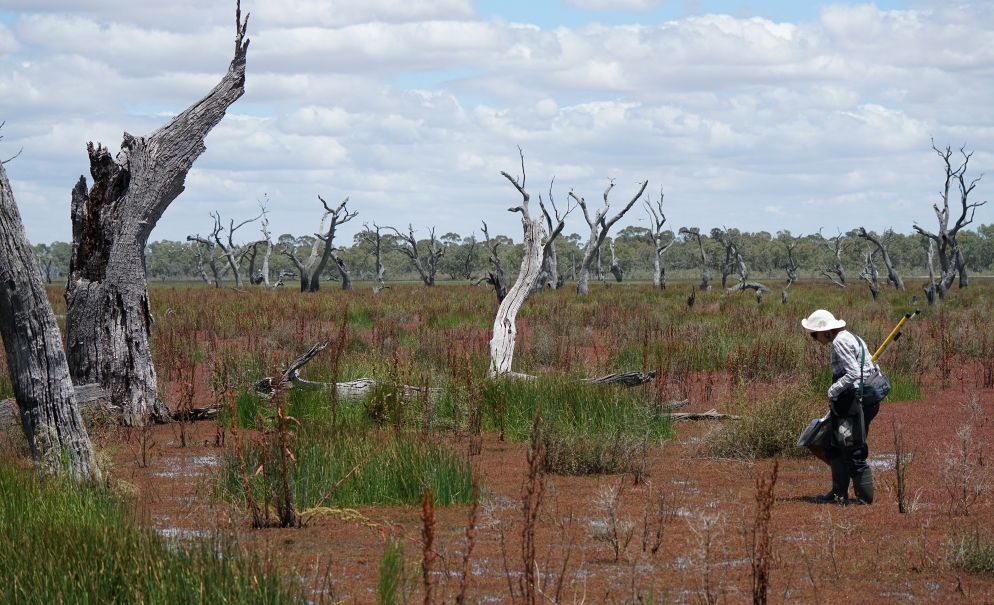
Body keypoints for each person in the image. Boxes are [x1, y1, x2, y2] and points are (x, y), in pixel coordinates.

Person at [802, 309, 891, 504]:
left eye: (814, 334)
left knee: (852, 448)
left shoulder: (840, 342)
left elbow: (852, 374)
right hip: (856, 400)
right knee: (832, 444)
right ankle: (838, 493)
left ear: (826, 332)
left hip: (855, 402)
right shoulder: (850, 336)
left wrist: (832, 391)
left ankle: (864, 501)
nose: (813, 339)